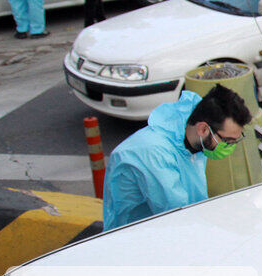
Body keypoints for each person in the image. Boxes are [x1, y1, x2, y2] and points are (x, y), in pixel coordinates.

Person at [101, 85, 252, 231]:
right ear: (203, 129)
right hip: (135, 240)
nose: (230, 146)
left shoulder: (193, 140)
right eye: (227, 141)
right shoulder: (155, 154)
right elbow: (177, 215)